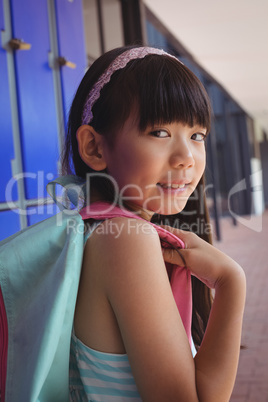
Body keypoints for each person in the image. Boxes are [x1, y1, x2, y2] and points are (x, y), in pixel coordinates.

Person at [63, 45, 246, 401]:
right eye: (160, 132)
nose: (186, 158)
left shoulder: (92, 229)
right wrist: (230, 281)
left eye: (197, 136)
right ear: (95, 148)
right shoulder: (126, 240)